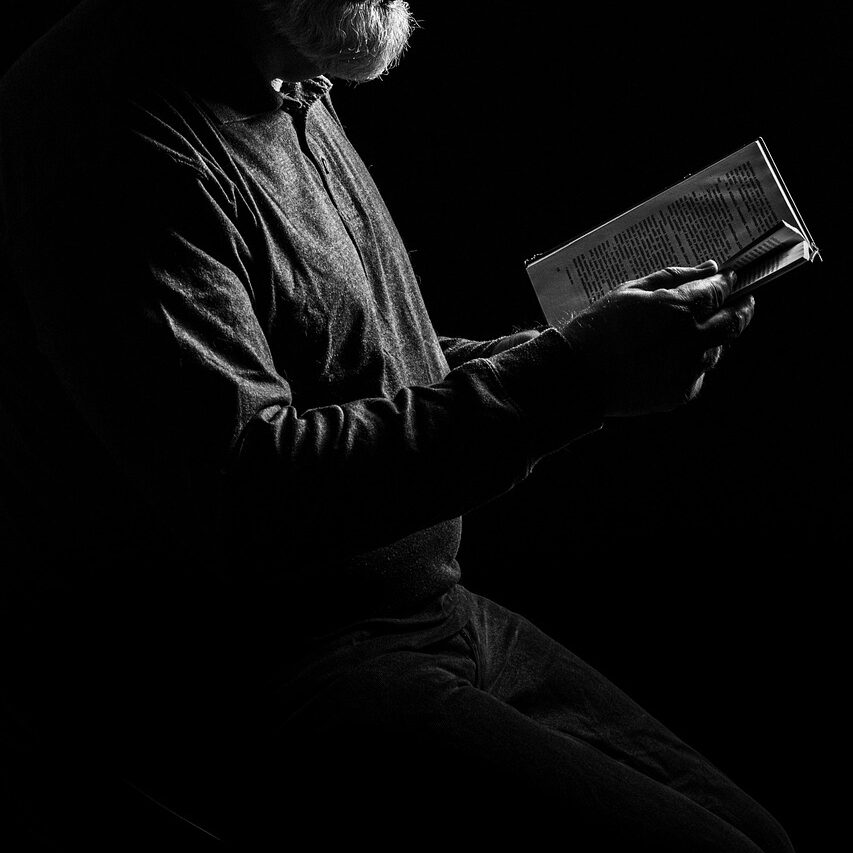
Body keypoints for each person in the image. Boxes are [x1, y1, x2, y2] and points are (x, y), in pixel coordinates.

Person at [0, 1, 794, 849]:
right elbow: (251, 490)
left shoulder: (287, 62)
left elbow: (355, 364)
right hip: (272, 671)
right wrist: (575, 377)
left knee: (761, 839)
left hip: (424, 612)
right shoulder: (108, 123)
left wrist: (569, 350)